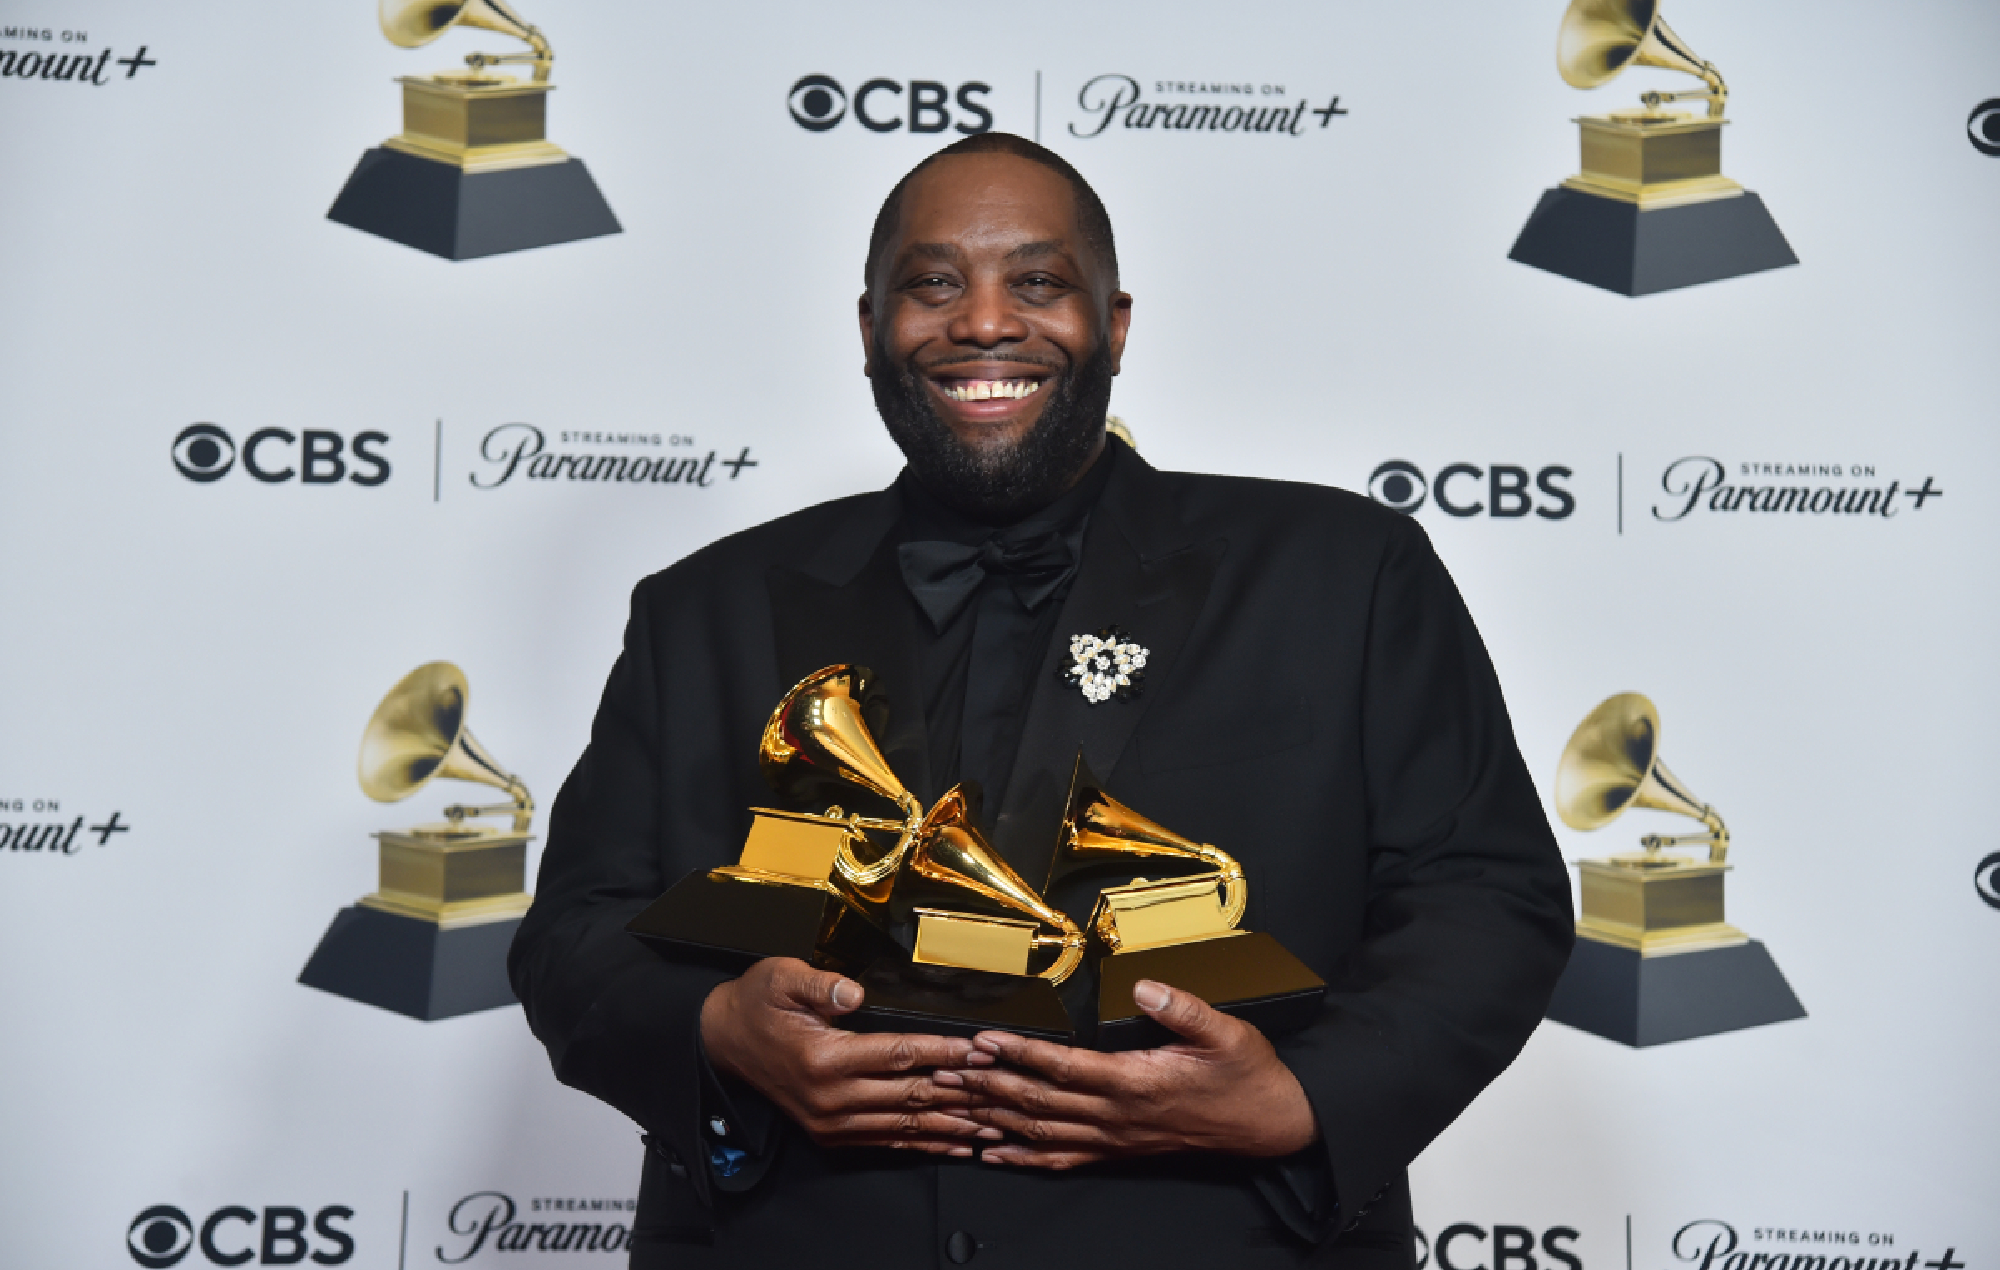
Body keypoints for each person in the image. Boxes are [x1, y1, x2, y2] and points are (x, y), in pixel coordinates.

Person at [509, 132, 1573, 1270]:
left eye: (1037, 282)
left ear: (1112, 324)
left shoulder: (1344, 572)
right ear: (868, 329)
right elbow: (574, 932)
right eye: (931, 284)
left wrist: (1302, 1098)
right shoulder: (701, 609)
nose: (980, 323)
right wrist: (713, 1031)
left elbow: (1483, 895)